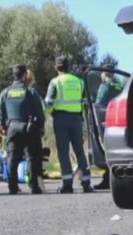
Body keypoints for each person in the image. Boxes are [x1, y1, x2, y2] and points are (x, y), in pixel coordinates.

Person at [45, 56, 93, 193]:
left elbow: (48, 102)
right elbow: (85, 101)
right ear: (68, 66)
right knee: (79, 151)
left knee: (63, 151)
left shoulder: (55, 82)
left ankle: (67, 184)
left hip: (61, 118)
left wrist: (51, 112)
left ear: (56, 67)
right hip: (76, 119)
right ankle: (86, 182)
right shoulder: (79, 81)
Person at [0, 64, 46, 194]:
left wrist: (3, 126)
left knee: (12, 157)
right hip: (29, 127)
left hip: (12, 128)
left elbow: (0, 113)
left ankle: (12, 187)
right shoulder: (31, 91)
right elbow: (39, 111)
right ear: (24, 75)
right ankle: (33, 186)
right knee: (32, 157)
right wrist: (41, 126)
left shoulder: (5, 92)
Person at [92, 66, 125, 190]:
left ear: (104, 73)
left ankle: (108, 178)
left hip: (106, 120)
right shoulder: (120, 85)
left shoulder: (105, 86)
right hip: (119, 119)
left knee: (105, 148)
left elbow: (99, 104)